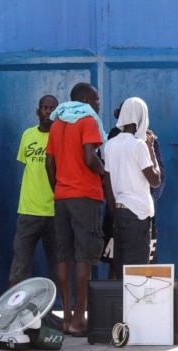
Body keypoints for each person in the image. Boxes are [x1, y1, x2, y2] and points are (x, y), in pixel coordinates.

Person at [45, 82, 106, 337]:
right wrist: (105, 174)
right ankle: (79, 320)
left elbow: (49, 165)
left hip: (62, 197)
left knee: (64, 257)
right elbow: (90, 158)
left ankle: (67, 316)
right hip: (85, 196)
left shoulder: (57, 123)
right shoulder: (87, 121)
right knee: (84, 257)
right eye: (95, 100)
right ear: (84, 99)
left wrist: (58, 188)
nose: (98, 105)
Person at [104, 97, 161, 278]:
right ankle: (135, 307)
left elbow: (107, 183)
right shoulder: (139, 145)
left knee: (122, 271)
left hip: (119, 213)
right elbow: (155, 180)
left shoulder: (110, 144)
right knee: (137, 273)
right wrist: (151, 148)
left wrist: (114, 213)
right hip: (138, 214)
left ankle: (122, 307)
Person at [8, 95, 59, 288]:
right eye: (44, 107)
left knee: (57, 265)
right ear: (38, 111)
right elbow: (26, 167)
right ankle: (13, 313)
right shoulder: (28, 135)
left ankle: (60, 314)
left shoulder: (61, 136)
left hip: (55, 211)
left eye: (51, 108)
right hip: (28, 210)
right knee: (20, 263)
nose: (47, 111)